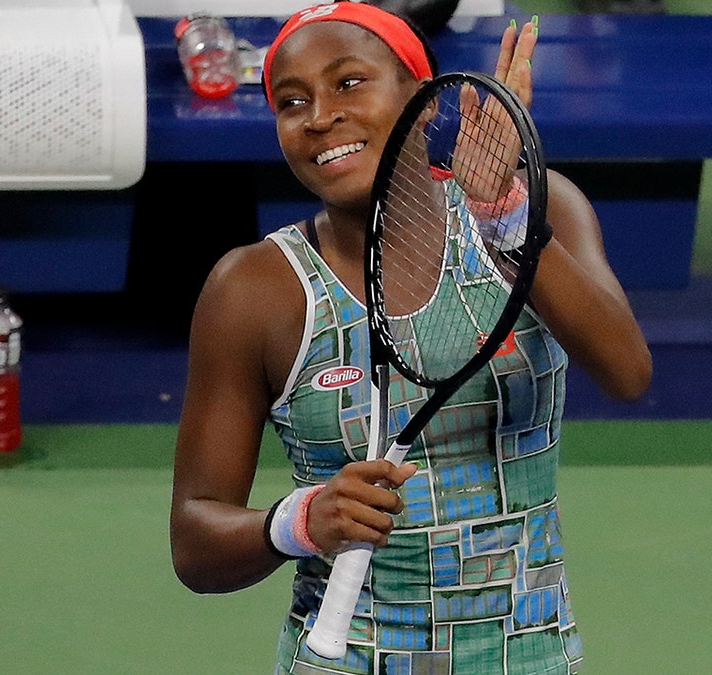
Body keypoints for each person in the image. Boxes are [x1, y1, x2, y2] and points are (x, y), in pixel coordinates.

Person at [170, 3, 652, 673]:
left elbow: (628, 371)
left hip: (529, 657)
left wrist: (506, 217)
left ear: (422, 100)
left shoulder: (542, 209)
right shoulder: (253, 291)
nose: (318, 116)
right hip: (347, 656)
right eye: (291, 100)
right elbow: (195, 543)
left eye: (349, 82)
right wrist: (302, 518)